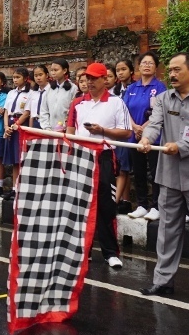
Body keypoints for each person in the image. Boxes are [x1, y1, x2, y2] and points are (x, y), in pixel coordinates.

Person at [138, 52, 189, 308]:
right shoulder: (164, 98)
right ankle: (163, 280)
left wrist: (181, 146)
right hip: (169, 175)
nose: (171, 74)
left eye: (177, 70)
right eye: (170, 70)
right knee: (167, 230)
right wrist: (147, 138)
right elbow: (155, 124)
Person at [66, 63, 131, 269]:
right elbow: (70, 132)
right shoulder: (77, 103)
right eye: (88, 78)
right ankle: (83, 250)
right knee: (79, 205)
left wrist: (102, 131)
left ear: (105, 79)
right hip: (81, 156)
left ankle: (110, 252)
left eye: (94, 78)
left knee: (106, 205)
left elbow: (126, 132)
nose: (90, 82)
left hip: (104, 156)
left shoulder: (116, 102)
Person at [124, 52, 167, 221]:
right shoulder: (131, 88)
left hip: (154, 137)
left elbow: (159, 112)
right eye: (144, 63)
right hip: (134, 136)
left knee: (155, 172)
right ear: (139, 66)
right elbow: (124, 109)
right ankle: (141, 205)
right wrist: (135, 127)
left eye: (151, 63)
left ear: (156, 67)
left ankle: (156, 206)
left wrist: (144, 128)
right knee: (138, 171)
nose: (147, 66)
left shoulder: (160, 88)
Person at [3, 68, 31, 200]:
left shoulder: (30, 93)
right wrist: (6, 127)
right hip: (10, 124)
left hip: (21, 124)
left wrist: (17, 124)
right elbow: (6, 111)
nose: (15, 80)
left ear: (25, 78)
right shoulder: (11, 93)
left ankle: (22, 188)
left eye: (18, 77)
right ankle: (14, 188)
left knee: (21, 158)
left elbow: (27, 112)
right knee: (14, 160)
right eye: (14, 77)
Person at [113, 58, 135, 213]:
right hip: (115, 133)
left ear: (131, 71)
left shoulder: (135, 88)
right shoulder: (115, 91)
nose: (120, 73)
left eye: (123, 69)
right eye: (118, 70)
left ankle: (124, 200)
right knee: (118, 167)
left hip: (130, 132)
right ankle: (120, 199)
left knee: (124, 167)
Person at [40, 58, 77, 132]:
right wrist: (46, 127)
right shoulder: (49, 88)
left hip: (66, 130)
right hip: (50, 130)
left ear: (64, 70)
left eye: (56, 70)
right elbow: (44, 110)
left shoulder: (73, 88)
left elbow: (73, 112)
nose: (53, 73)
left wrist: (65, 127)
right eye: (51, 70)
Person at [25, 65, 50, 129]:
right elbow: (32, 113)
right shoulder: (33, 93)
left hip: (48, 123)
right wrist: (30, 128)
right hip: (35, 123)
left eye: (40, 75)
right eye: (36, 76)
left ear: (47, 75)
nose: (38, 78)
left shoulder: (52, 91)